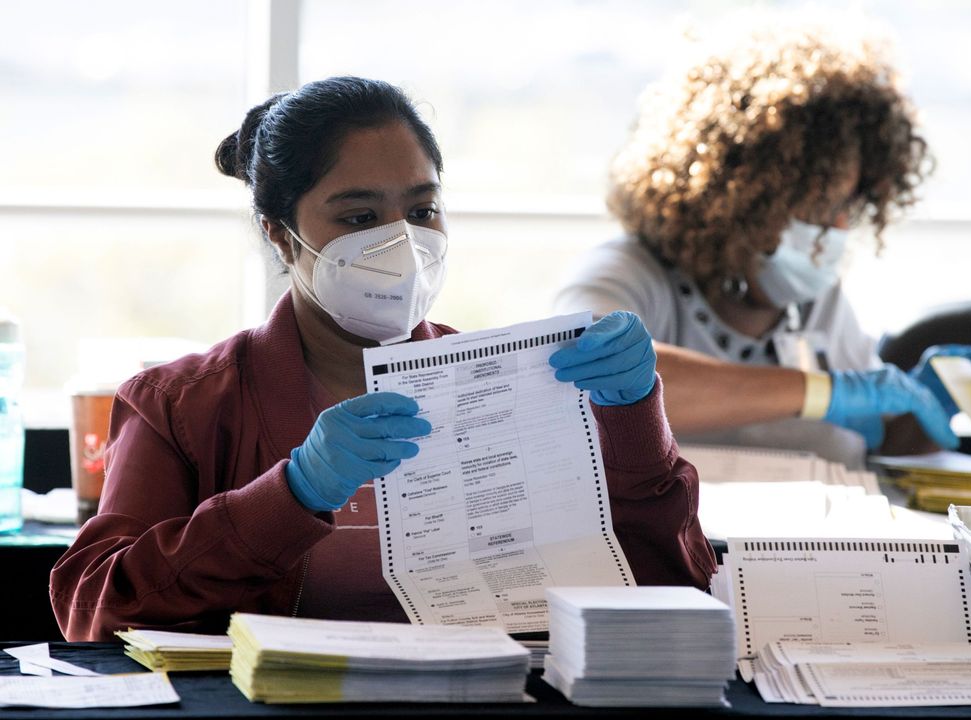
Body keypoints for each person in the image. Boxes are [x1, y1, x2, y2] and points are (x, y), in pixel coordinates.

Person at [50, 77, 715, 642]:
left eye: (422, 208)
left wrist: (633, 421)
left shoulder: (515, 388)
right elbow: (92, 609)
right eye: (358, 216)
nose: (401, 242)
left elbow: (673, 592)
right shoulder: (182, 404)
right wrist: (288, 495)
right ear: (279, 234)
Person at [554, 28, 971, 467]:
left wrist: (924, 414)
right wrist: (821, 392)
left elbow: (874, 439)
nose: (838, 228)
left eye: (848, 207)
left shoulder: (818, 301)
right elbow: (582, 372)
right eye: (821, 206)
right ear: (742, 196)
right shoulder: (626, 271)